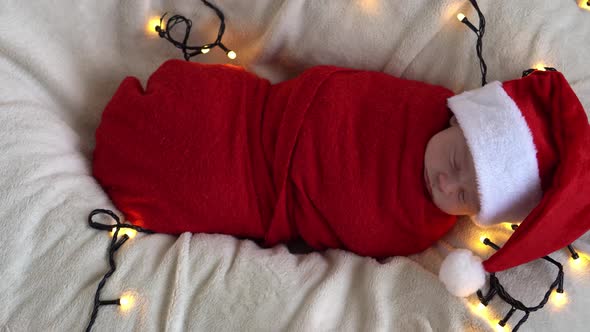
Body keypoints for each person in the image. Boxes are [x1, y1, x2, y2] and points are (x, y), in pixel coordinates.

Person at [93, 60, 590, 281]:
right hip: (263, 120)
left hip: (264, 195)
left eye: (465, 198)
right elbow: (336, 95)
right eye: (457, 162)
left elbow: (364, 231)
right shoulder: (418, 107)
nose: (447, 183)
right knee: (201, 104)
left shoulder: (423, 225)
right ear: (460, 119)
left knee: (199, 184)